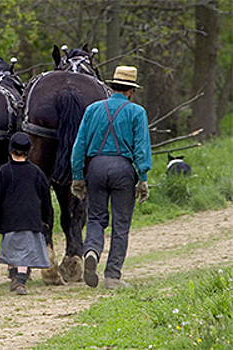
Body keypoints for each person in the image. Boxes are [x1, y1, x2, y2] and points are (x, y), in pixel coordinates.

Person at [70, 65, 152, 290]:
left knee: (96, 218)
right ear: (131, 91)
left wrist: (78, 176)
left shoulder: (93, 110)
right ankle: (113, 276)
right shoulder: (137, 112)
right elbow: (141, 149)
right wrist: (142, 178)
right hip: (123, 170)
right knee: (121, 224)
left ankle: (91, 252)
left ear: (111, 87)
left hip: (95, 168)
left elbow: (79, 147)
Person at [0, 132, 53, 295]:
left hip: (9, 220)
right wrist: (46, 218)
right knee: (25, 253)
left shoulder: (3, 171)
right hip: (31, 219)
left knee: (12, 250)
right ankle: (20, 280)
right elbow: (46, 197)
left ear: (10, 150)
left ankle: (14, 278)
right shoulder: (37, 172)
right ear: (29, 150)